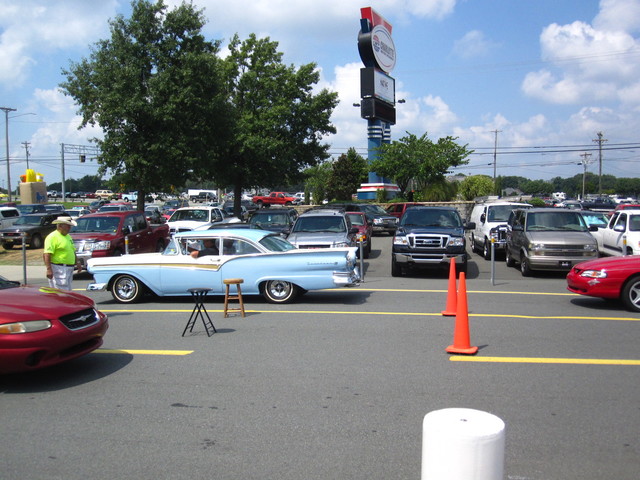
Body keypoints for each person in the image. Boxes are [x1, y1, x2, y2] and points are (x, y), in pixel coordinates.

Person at [43, 216, 81, 291]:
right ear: (60, 226)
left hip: (69, 268)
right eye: (67, 226)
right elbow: (47, 254)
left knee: (67, 290)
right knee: (60, 291)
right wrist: (49, 269)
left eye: (70, 226)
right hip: (59, 268)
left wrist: (78, 262)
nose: (69, 228)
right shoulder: (52, 237)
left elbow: (72, 250)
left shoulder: (68, 236)